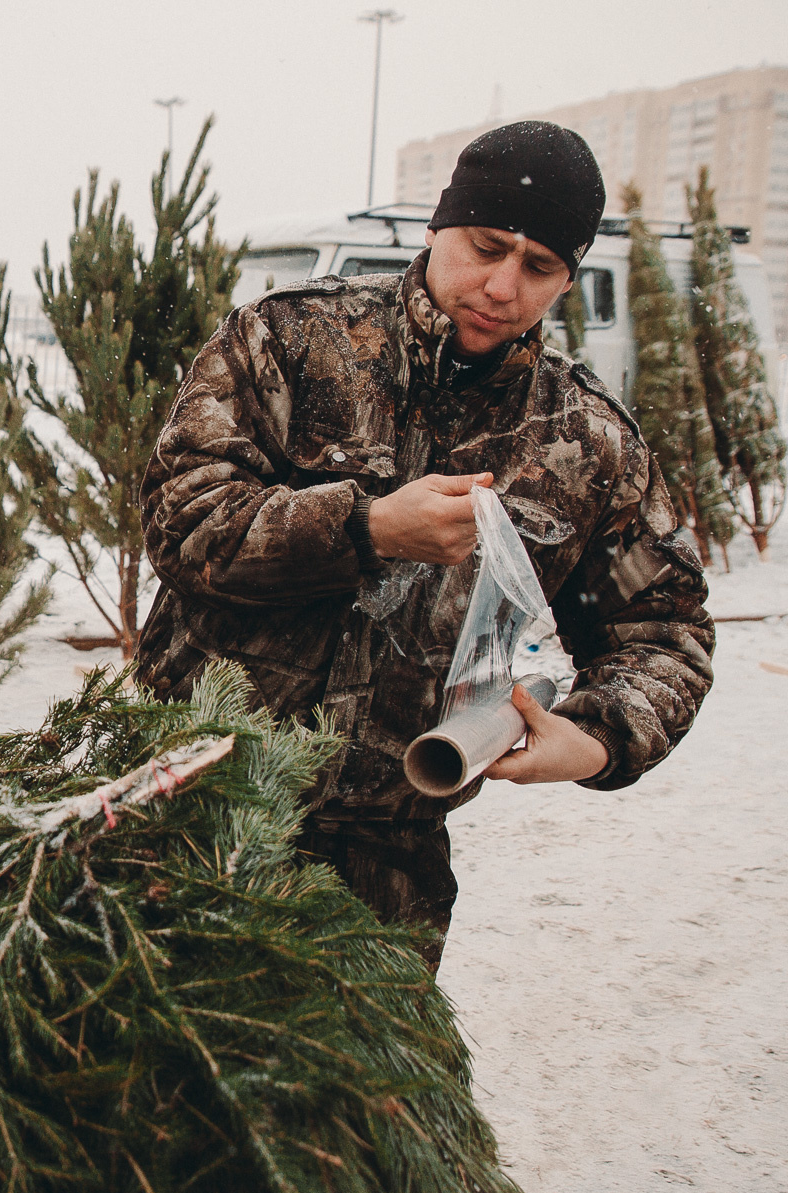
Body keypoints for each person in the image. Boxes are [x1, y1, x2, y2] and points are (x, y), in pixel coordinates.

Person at [135, 120, 714, 969]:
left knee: (359, 1104)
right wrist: (362, 529)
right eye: (486, 246)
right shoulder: (291, 345)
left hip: (383, 865)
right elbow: (181, 520)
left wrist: (595, 738)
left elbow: (665, 630)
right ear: (442, 224)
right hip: (185, 810)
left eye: (539, 267)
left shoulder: (587, 443)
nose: (502, 285)